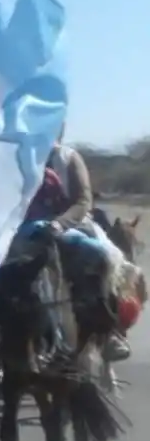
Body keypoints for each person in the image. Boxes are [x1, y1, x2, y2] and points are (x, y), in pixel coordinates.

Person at [34, 127, 130, 362]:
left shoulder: (68, 158)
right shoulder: (16, 157)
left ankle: (108, 332)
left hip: (71, 226)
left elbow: (83, 201)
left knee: (103, 258)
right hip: (26, 227)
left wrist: (60, 224)